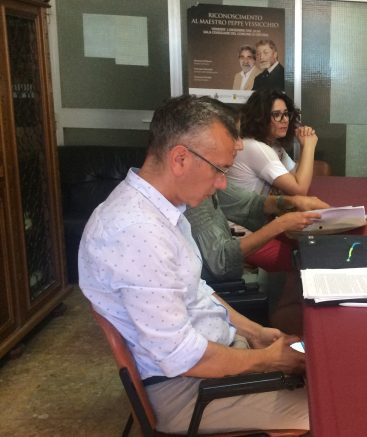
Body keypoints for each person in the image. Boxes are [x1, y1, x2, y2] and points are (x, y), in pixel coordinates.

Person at [78, 95, 311, 434]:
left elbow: (197, 290)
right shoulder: (136, 232)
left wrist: (256, 333)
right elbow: (182, 356)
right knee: (330, 408)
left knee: (324, 373)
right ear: (180, 159)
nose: (222, 184)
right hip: (187, 390)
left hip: (216, 357)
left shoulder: (164, 210)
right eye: (219, 170)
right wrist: (266, 360)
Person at [186, 179, 328, 279]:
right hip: (221, 287)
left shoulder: (210, 177)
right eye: (219, 168)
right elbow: (220, 261)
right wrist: (281, 224)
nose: (223, 183)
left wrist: (291, 201)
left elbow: (250, 204)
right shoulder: (192, 198)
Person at [228, 89, 317, 196]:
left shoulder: (273, 145)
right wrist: (309, 146)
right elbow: (300, 190)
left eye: (286, 114)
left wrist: (303, 146)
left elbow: (296, 176)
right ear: (260, 118)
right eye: (277, 114)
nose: (285, 120)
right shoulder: (254, 147)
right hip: (242, 208)